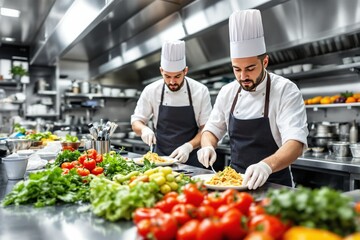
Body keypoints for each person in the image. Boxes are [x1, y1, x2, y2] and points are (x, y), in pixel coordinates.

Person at [197, 9, 308, 189]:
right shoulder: (227, 92)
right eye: (237, 69)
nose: (242, 76)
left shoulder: (286, 90)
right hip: (233, 183)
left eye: (249, 69)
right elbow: (211, 130)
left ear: (265, 62)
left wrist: (266, 166)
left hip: (275, 184)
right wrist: (207, 146)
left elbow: (295, 142)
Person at [131, 40, 212, 168]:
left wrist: (188, 146)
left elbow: (206, 129)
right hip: (159, 160)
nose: (172, 81)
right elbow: (136, 122)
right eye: (167, 76)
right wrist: (144, 129)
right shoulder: (151, 90)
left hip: (191, 160)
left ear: (185, 71)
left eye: (177, 76)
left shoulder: (200, 91)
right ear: (161, 71)